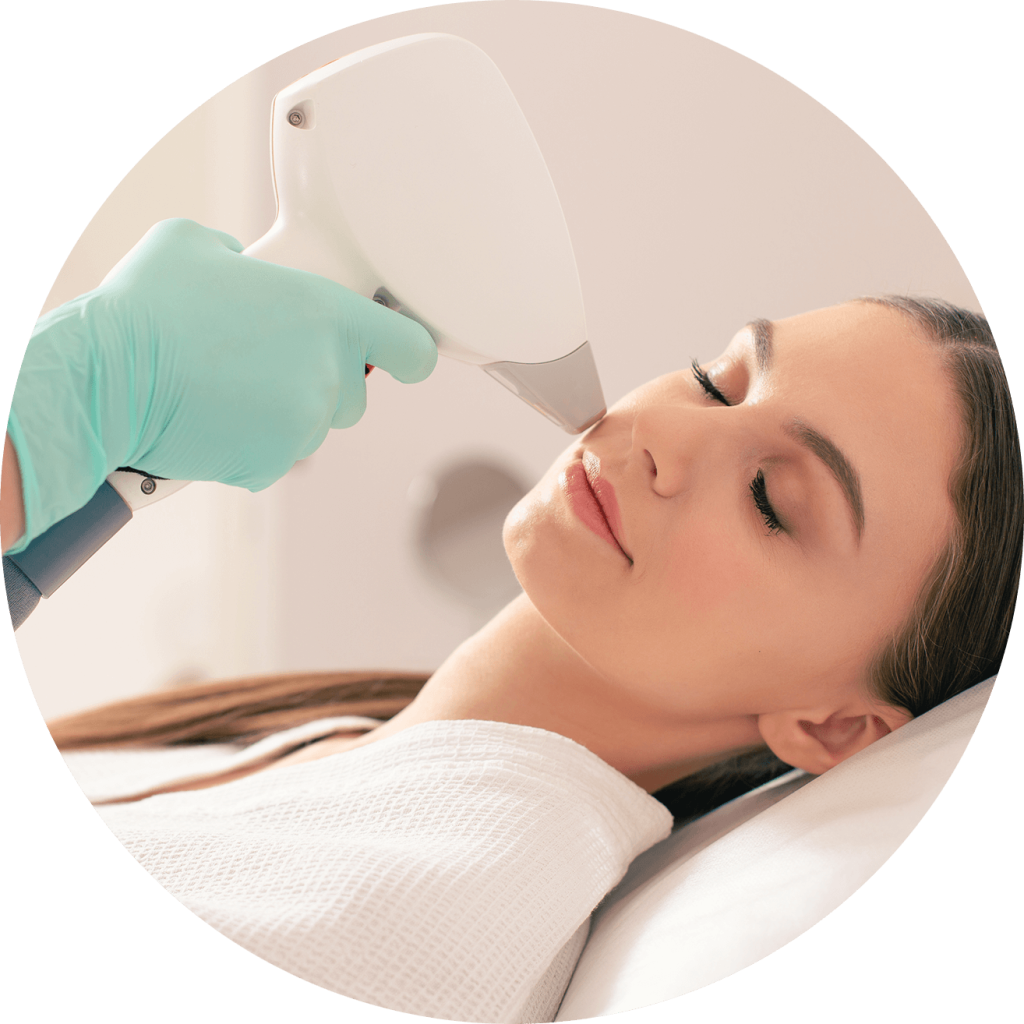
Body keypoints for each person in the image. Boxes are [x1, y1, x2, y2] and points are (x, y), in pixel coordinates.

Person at [4, 219, 1021, 1019]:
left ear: (834, 726)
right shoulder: (334, 738)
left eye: (771, 499)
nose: (668, 435)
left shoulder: (424, 921)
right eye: (717, 382)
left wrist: (55, 417)